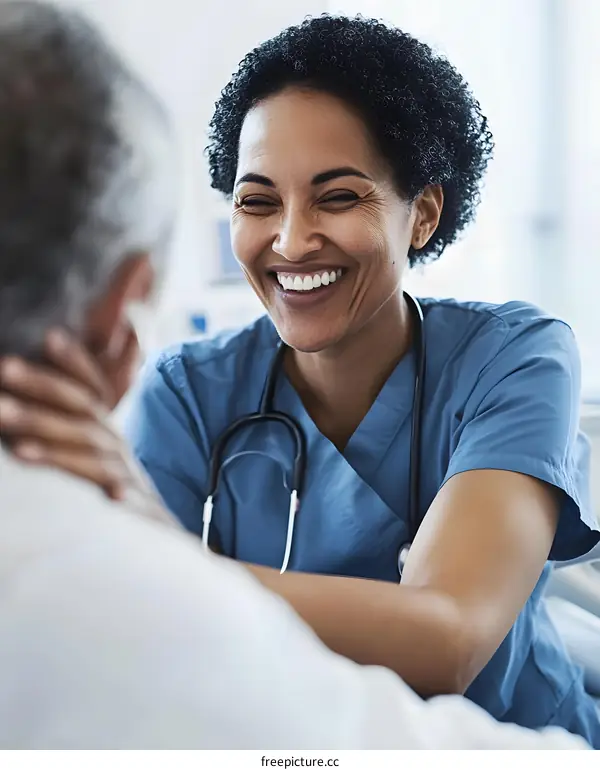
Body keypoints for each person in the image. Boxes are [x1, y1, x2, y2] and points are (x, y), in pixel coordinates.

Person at [0, 6, 596, 749]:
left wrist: (168, 560)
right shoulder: (188, 393)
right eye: (257, 202)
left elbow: (449, 638)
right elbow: (145, 636)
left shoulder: (516, 356)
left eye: (338, 196)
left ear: (423, 214)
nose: (289, 239)